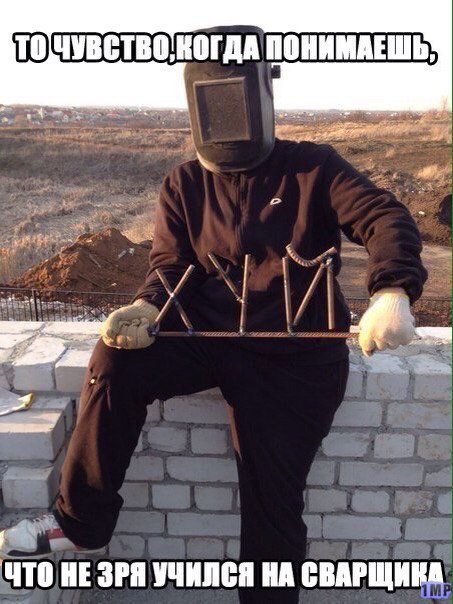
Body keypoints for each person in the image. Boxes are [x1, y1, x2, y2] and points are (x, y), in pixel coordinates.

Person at [0, 25, 427, 604]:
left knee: (271, 504)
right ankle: (80, 525)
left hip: (295, 355)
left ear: (262, 94)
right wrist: (147, 305)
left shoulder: (313, 169)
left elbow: (384, 216)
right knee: (115, 362)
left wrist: (393, 289)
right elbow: (170, 265)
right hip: (207, 334)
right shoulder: (184, 182)